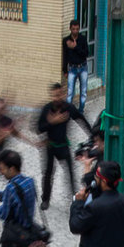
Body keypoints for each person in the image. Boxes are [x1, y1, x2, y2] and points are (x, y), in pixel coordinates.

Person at [37, 82, 91, 211]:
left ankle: (74, 199)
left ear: (63, 94)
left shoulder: (68, 108)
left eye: (59, 95)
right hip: (50, 147)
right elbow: (39, 128)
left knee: (71, 173)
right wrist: (52, 122)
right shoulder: (46, 109)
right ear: (51, 96)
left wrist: (92, 135)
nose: (57, 98)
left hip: (63, 146)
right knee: (48, 174)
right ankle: (45, 199)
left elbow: (81, 120)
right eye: (54, 96)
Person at [0, 98, 34, 187]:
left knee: (11, 176)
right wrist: (4, 135)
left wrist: (33, 142)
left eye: (1, 109)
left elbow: (16, 133)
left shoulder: (7, 120)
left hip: (2, 155)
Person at [62, 20, 89, 113]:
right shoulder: (66, 41)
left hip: (83, 67)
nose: (75, 31)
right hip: (72, 68)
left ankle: (81, 110)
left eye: (77, 29)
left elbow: (86, 53)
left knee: (83, 91)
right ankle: (68, 111)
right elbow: (65, 56)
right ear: (70, 29)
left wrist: (76, 47)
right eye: (73, 29)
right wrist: (64, 70)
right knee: (70, 92)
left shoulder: (83, 39)